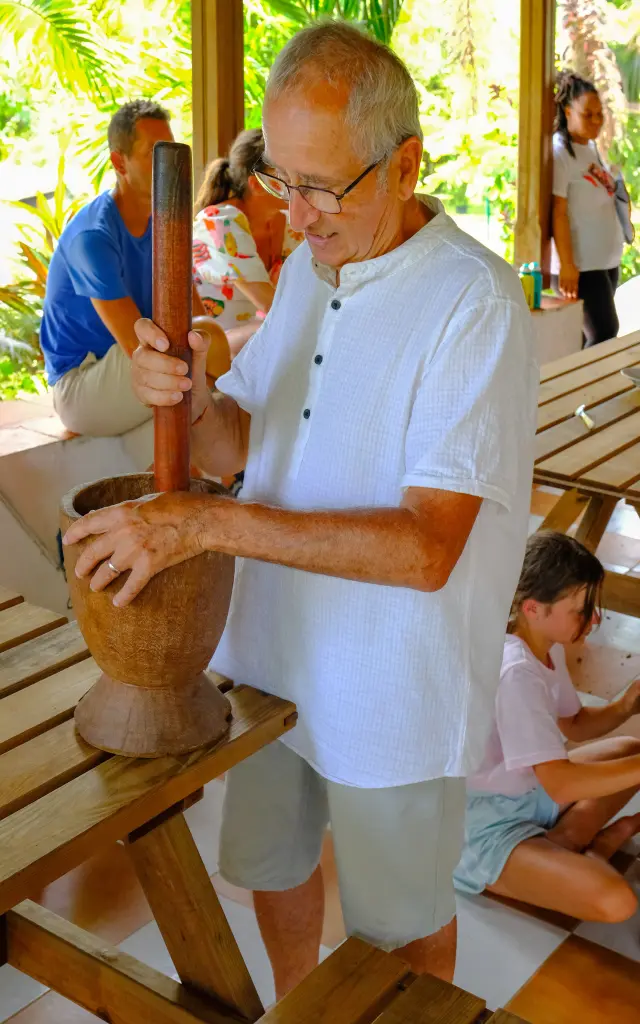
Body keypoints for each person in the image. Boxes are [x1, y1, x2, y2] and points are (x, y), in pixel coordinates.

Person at [63, 22, 538, 993]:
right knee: (273, 869)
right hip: (274, 655)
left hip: (392, 685)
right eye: (283, 180)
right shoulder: (308, 274)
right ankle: (294, 1006)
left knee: (401, 926)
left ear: (404, 164)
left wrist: (201, 522)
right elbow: (238, 442)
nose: (298, 212)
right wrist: (189, 397)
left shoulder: (474, 303)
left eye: (323, 185)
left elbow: (426, 550)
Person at [454, 531, 640, 923]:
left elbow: (575, 724)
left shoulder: (544, 645)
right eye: (581, 608)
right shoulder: (516, 671)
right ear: (533, 608)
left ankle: (564, 843)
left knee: (627, 751)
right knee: (617, 902)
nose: (594, 618)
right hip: (487, 824)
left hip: (532, 792)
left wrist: (625, 705)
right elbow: (562, 784)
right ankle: (592, 847)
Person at [40, 99, 226, 437]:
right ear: (119, 162)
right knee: (194, 357)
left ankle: (223, 451)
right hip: (81, 385)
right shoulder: (93, 237)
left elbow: (195, 316)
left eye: (170, 150)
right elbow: (136, 348)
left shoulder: (165, 225)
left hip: (133, 366)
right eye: (153, 152)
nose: (168, 163)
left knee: (208, 338)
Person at [193, 128, 304, 358]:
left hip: (255, 343)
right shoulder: (220, 221)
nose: (297, 182)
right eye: (285, 175)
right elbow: (271, 305)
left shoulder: (290, 227)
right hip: (209, 349)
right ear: (256, 184)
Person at [551, 72, 626, 347]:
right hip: (582, 267)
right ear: (568, 111)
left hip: (605, 262)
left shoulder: (590, 147)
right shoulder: (560, 153)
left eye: (599, 114)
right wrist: (568, 265)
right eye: (588, 114)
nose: (596, 121)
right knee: (605, 332)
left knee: (585, 339)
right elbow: (558, 212)